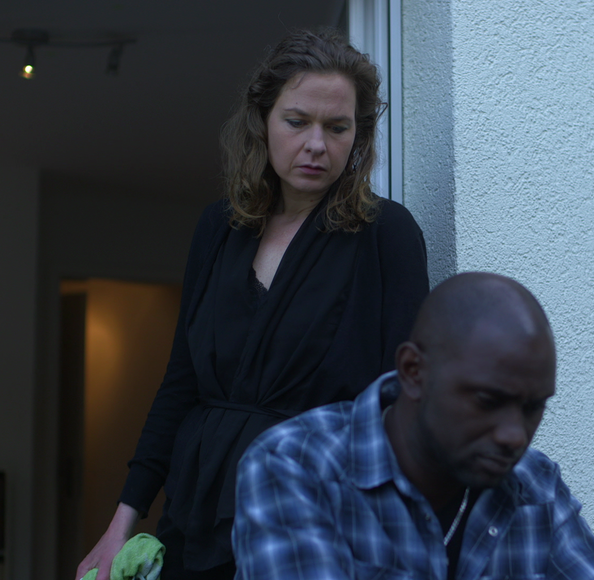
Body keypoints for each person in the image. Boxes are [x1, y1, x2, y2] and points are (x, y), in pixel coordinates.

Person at [76, 30, 430, 580]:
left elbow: (403, 402)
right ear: (262, 121)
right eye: (297, 121)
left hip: (317, 522)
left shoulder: (387, 234)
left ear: (358, 135)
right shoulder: (218, 229)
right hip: (198, 513)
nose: (317, 144)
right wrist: (123, 519)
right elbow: (180, 383)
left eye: (337, 127)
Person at [233, 272, 594, 580]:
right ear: (413, 371)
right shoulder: (294, 465)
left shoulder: (535, 484)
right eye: (487, 401)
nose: (514, 435)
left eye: (533, 408)